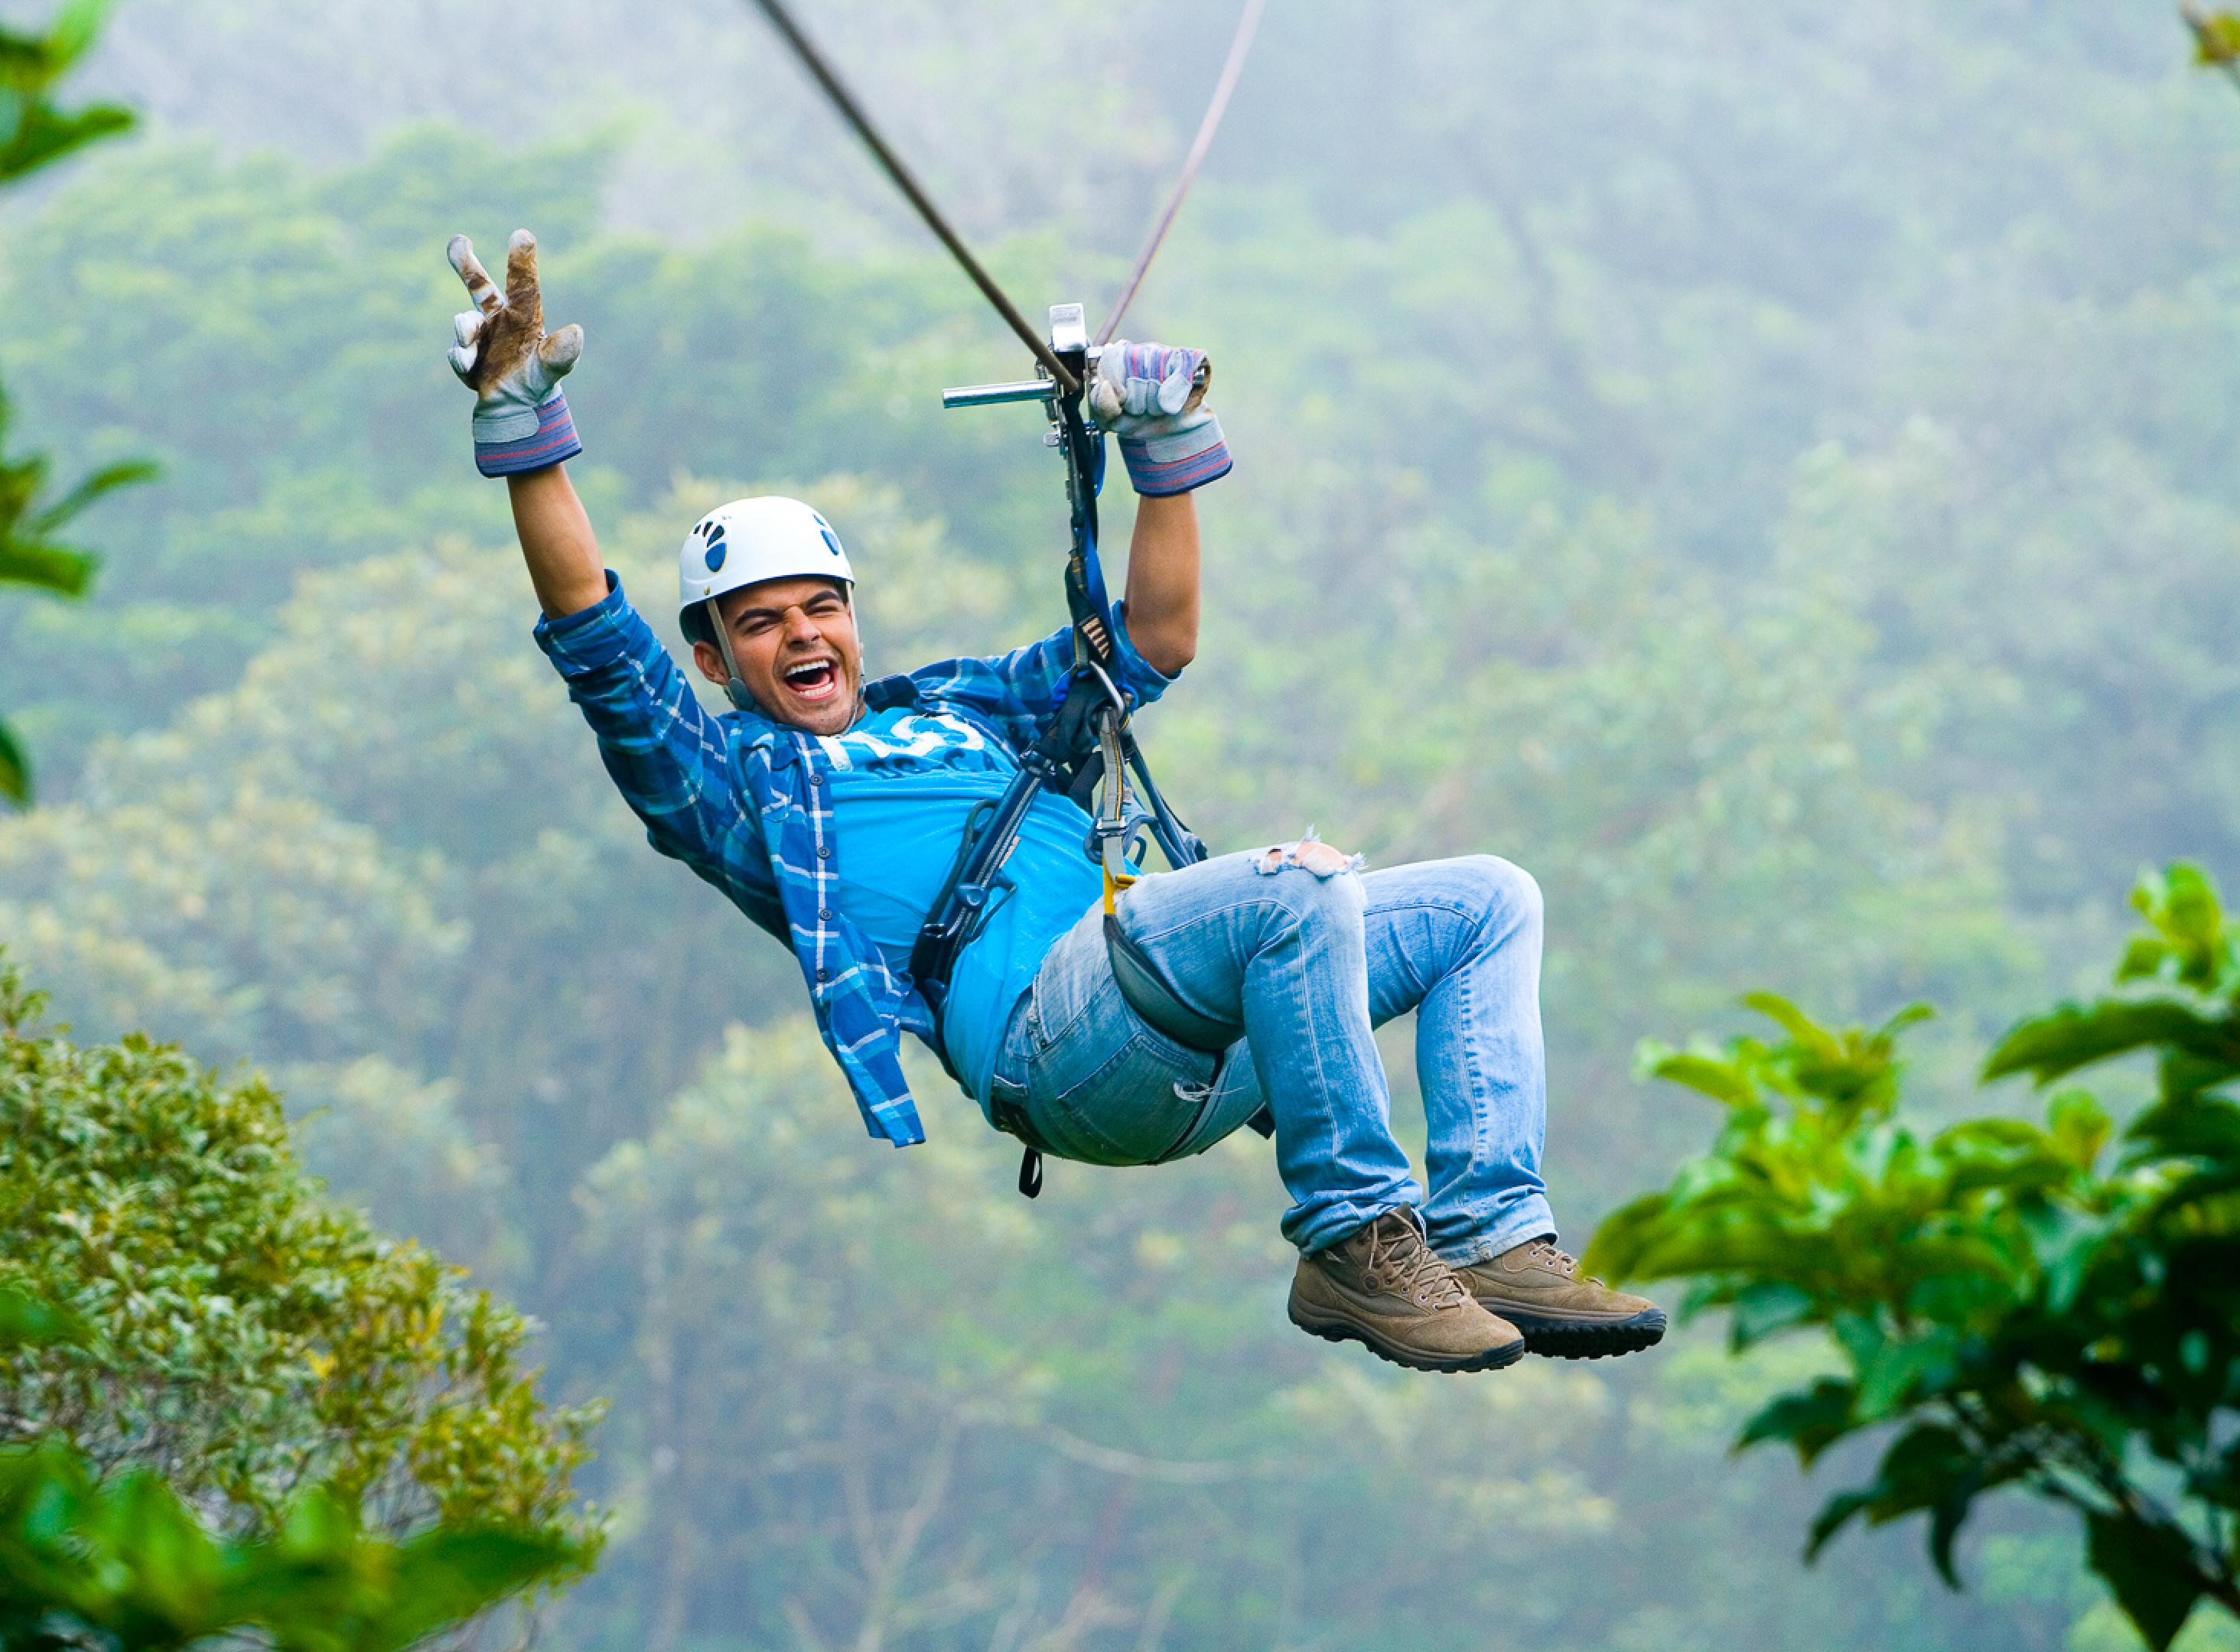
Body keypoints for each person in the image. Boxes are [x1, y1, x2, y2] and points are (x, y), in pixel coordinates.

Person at [444, 229, 1665, 1374]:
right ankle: (1353, 1242)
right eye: (760, 624)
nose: (802, 635)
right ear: (715, 663)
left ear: (855, 620)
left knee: (1488, 902)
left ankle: (1495, 1233)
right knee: (1302, 883)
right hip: (1056, 1042)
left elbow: (1154, 640)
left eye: (821, 607)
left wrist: (1166, 442)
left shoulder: (967, 715)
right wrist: (524, 419)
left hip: (1192, 1018)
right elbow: (600, 645)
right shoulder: (739, 793)